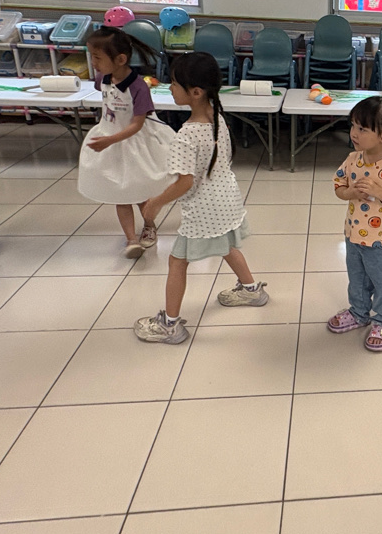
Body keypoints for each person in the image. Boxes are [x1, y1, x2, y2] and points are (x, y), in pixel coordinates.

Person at [134, 52, 268, 344]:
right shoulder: (216, 116)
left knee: (177, 261)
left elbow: (186, 182)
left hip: (204, 208)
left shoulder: (186, 135)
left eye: (174, 83)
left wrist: (156, 203)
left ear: (195, 92)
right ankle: (251, 290)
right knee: (227, 244)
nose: (170, 88)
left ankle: (170, 325)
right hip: (227, 198)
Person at [77, 27, 176, 259]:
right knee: (119, 193)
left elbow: (137, 124)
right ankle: (131, 239)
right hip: (111, 140)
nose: (93, 63)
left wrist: (110, 140)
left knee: (140, 192)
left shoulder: (138, 87)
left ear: (121, 59)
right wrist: (108, 139)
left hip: (134, 143)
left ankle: (149, 225)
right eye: (92, 57)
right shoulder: (102, 79)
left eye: (97, 58)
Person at [328, 96, 382, 352]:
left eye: (363, 129)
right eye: (353, 125)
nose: (354, 133)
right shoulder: (352, 159)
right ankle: (359, 312)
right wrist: (350, 192)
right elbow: (339, 187)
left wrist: (378, 191)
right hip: (354, 233)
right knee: (356, 278)